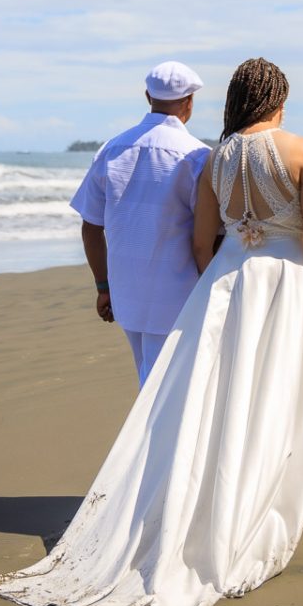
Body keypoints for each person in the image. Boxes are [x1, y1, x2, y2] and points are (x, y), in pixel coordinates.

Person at [0, 58, 303, 606]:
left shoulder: (214, 158)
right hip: (283, 285)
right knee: (273, 391)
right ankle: (255, 505)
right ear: (279, 98)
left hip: (227, 285)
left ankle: (197, 499)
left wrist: (222, 283)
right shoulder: (302, 150)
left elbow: (199, 244)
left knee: (214, 399)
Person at [69, 60, 209, 387]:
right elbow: (206, 236)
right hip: (179, 294)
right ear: (189, 101)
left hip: (126, 292)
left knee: (148, 382)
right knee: (169, 393)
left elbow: (91, 226)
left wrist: (103, 286)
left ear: (148, 96)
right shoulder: (197, 156)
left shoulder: (111, 149)